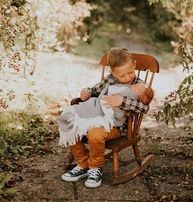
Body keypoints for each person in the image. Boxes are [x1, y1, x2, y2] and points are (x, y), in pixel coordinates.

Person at [60, 48, 153, 188]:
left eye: (130, 72)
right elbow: (94, 91)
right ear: (113, 73)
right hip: (95, 116)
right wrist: (86, 92)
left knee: (95, 133)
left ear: (134, 64)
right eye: (122, 76)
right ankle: (83, 162)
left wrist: (122, 101)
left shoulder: (139, 86)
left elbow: (144, 107)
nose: (128, 77)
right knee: (69, 123)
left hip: (115, 127)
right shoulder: (110, 80)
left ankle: (95, 167)